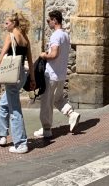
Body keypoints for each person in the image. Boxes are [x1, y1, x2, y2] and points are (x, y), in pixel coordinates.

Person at [0, 12, 35, 153]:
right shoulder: (25, 38)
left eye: (7, 23)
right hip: (22, 74)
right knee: (3, 104)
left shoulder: (11, 36)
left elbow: (2, 55)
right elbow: (30, 61)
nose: (5, 25)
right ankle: (1, 136)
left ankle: (21, 143)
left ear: (14, 23)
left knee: (14, 109)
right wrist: (32, 79)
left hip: (12, 76)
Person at [33, 9, 80, 139]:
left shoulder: (55, 35)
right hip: (61, 74)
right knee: (57, 99)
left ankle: (46, 129)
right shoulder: (65, 35)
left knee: (46, 103)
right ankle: (71, 114)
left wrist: (44, 55)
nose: (48, 23)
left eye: (49, 20)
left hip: (51, 74)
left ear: (54, 20)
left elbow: (54, 54)